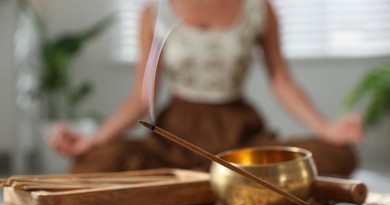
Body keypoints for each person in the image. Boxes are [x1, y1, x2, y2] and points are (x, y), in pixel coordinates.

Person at [48, 0, 363, 177]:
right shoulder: (154, 12)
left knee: (336, 157)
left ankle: (199, 185)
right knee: (91, 167)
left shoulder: (259, 7)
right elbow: (142, 96)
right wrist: (95, 140)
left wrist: (326, 128)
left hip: (240, 133)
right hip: (174, 136)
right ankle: (219, 184)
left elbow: (281, 80)